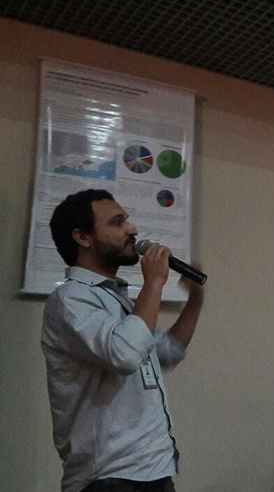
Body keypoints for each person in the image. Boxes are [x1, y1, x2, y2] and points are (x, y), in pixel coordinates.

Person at [41, 189, 204, 492]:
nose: (133, 230)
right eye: (117, 223)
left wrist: (195, 300)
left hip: (153, 470)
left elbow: (166, 353)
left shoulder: (116, 299)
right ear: (83, 237)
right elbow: (125, 355)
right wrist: (154, 282)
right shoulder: (70, 299)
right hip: (110, 478)